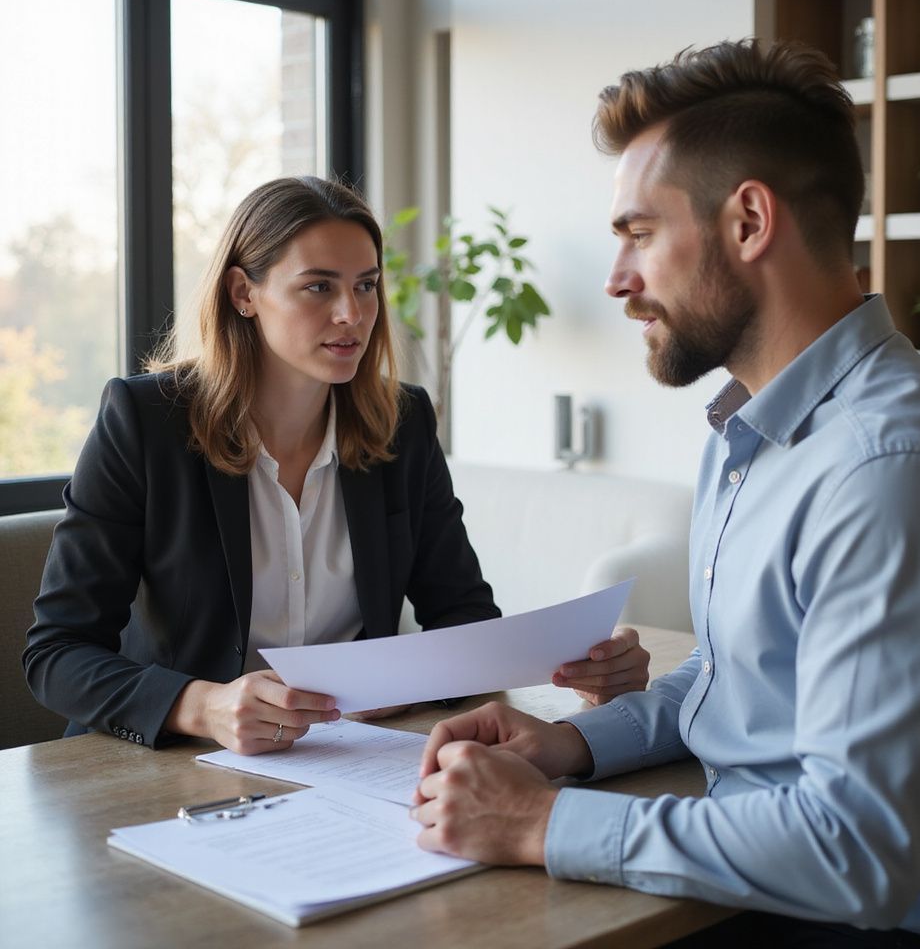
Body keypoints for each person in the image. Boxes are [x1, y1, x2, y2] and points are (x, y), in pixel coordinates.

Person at [410, 40, 920, 948]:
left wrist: (540, 823)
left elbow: (855, 852)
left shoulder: (892, 472)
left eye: (638, 234)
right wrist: (574, 746)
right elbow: (740, 671)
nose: (617, 281)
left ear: (747, 223)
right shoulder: (752, 434)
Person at [24, 176, 651, 755]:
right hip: (170, 764)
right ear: (245, 293)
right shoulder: (144, 422)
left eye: (367, 284)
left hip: (343, 761)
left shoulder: (402, 424)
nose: (352, 313)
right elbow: (58, 653)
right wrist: (204, 706)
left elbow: (462, 617)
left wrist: (579, 664)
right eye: (318, 286)